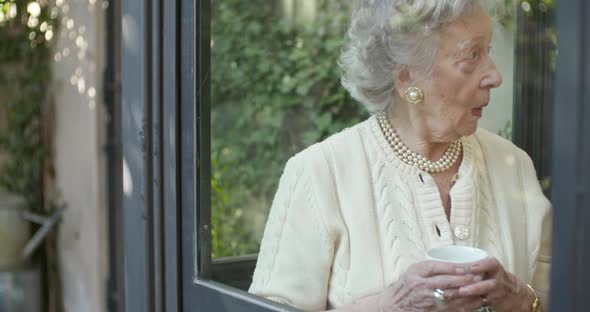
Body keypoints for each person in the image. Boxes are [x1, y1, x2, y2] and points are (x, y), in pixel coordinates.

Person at [248, 1, 552, 311]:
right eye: (472, 55)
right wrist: (389, 305)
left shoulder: (514, 167)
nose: (494, 76)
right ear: (407, 78)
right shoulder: (320, 173)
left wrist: (521, 300)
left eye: (487, 50)